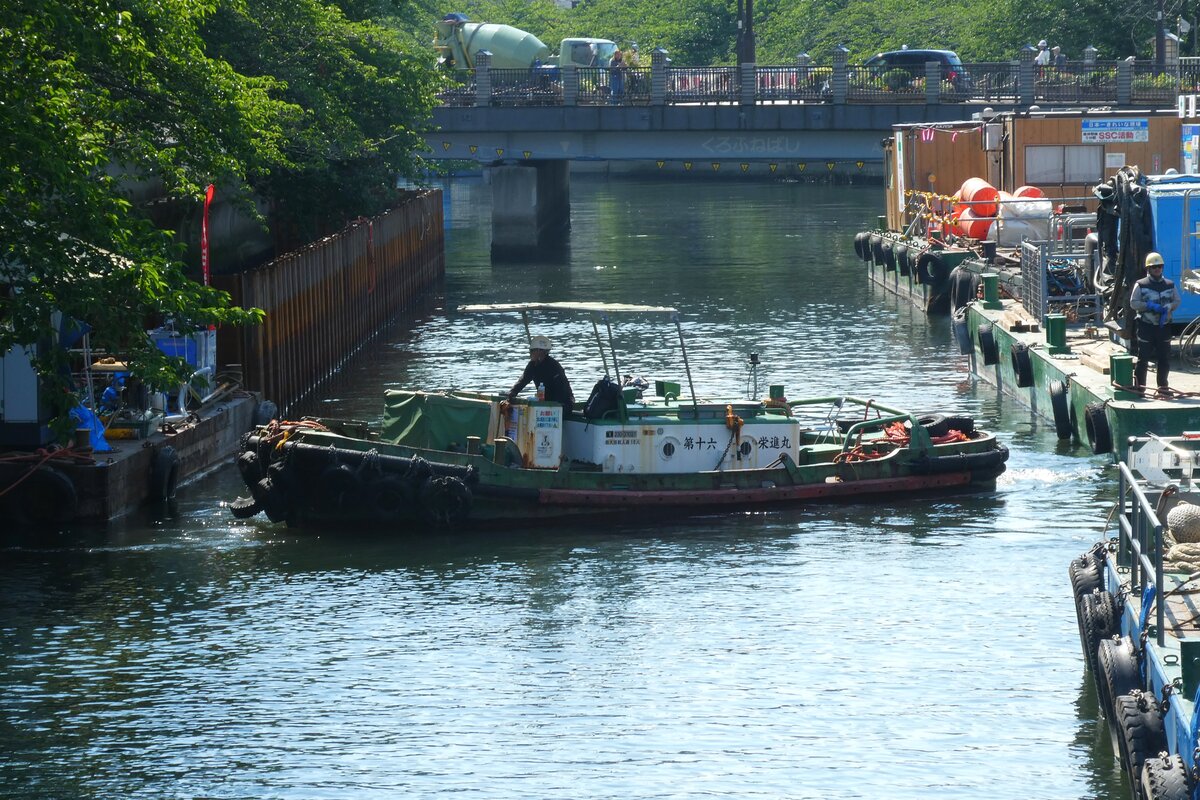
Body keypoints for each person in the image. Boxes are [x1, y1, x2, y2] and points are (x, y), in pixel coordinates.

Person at [1130, 251, 1182, 394]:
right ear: (1148, 269)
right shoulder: (1140, 285)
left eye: (1159, 266)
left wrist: (1170, 307)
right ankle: (1140, 387)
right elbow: (1133, 303)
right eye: (1154, 267)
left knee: (1164, 358)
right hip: (1146, 326)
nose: (1157, 269)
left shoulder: (1170, 285)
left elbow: (1177, 300)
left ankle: (1163, 388)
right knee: (1144, 358)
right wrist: (1149, 306)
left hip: (1163, 327)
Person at [506, 335, 574, 409]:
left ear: (540, 351)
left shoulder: (554, 366)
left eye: (532, 351)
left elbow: (562, 388)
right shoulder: (532, 365)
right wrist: (513, 392)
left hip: (560, 404)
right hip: (545, 403)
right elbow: (524, 380)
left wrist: (557, 405)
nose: (530, 353)